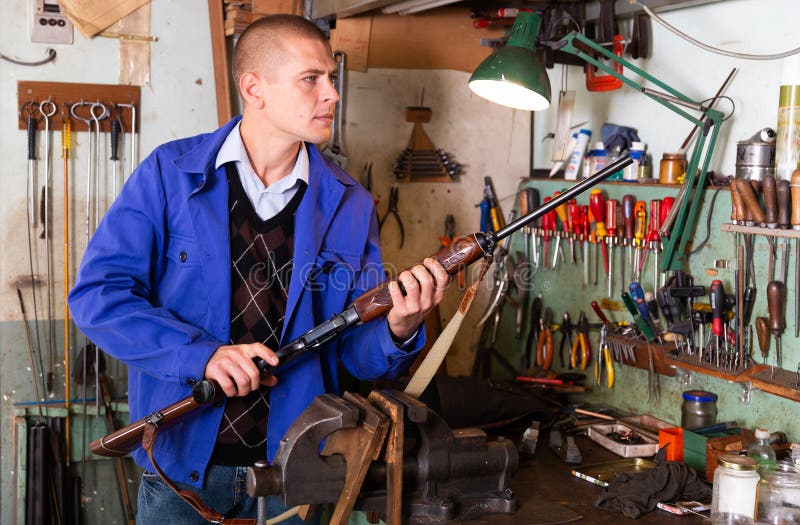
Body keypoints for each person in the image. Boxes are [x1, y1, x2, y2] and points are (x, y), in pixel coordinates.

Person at [68, 14, 449, 523]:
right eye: (312, 79)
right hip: (182, 477)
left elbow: (354, 356)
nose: (332, 94)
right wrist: (201, 356)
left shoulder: (350, 205)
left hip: (300, 474)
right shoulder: (169, 175)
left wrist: (399, 328)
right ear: (254, 87)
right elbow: (98, 297)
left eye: (331, 78)